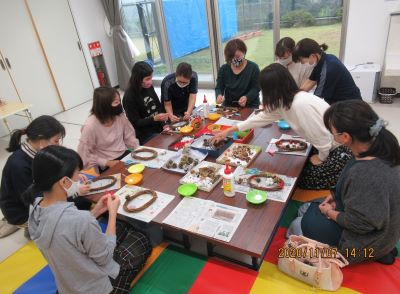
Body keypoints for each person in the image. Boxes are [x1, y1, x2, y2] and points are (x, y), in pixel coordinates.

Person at [27, 145, 152, 293]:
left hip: (67, 284)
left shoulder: (35, 207)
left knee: (122, 227)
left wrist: (96, 211)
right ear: (65, 182)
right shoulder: (81, 219)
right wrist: (112, 214)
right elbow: (105, 257)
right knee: (141, 240)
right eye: (77, 175)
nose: (80, 178)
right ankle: (118, 286)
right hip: (96, 287)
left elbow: (65, 230)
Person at [288, 100, 400, 265]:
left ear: (345, 137)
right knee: (305, 208)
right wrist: (334, 196)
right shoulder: (382, 145)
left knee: (296, 225)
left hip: (367, 240)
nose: (332, 135)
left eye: (333, 132)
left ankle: (370, 254)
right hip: (375, 220)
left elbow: (361, 224)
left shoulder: (365, 173)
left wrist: (328, 213)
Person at [212, 63, 352, 190]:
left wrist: (321, 158)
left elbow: (323, 139)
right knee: (291, 171)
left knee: (296, 179)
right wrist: (230, 130)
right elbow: (262, 118)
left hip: (338, 151)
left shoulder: (299, 105)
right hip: (325, 146)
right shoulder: (287, 100)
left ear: (272, 90)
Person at [0, 116, 91, 238]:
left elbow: (54, 171)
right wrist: (73, 191)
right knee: (80, 204)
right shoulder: (18, 165)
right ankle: (33, 227)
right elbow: (33, 201)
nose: (58, 144)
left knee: (83, 202)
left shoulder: (37, 152)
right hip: (22, 209)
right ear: (41, 140)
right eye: (56, 140)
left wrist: (73, 175)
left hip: (39, 194)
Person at [78, 86, 139, 171]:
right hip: (106, 162)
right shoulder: (90, 126)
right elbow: (84, 154)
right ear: (104, 106)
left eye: (119, 101)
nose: (119, 105)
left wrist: (138, 149)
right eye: (116, 102)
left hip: (124, 154)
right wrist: (107, 163)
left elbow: (129, 136)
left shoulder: (119, 116)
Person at [293, 38, 362, 105]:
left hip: (349, 105)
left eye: (301, 60)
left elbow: (317, 99)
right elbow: (310, 82)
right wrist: (294, 97)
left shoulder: (329, 69)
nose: (301, 63)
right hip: (339, 102)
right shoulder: (323, 60)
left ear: (312, 56)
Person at [123, 61, 169, 144]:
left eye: (151, 78)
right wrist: (154, 119)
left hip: (158, 127)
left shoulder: (148, 87)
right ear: (138, 79)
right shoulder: (129, 97)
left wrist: (164, 124)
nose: (150, 82)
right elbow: (136, 122)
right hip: (145, 134)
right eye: (147, 79)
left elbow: (158, 106)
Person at [215, 39, 260, 108]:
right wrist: (219, 95)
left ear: (244, 52)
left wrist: (246, 97)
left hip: (250, 105)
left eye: (237, 56)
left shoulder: (253, 68)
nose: (234, 59)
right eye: (231, 57)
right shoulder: (224, 69)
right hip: (229, 105)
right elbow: (219, 87)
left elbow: (256, 88)